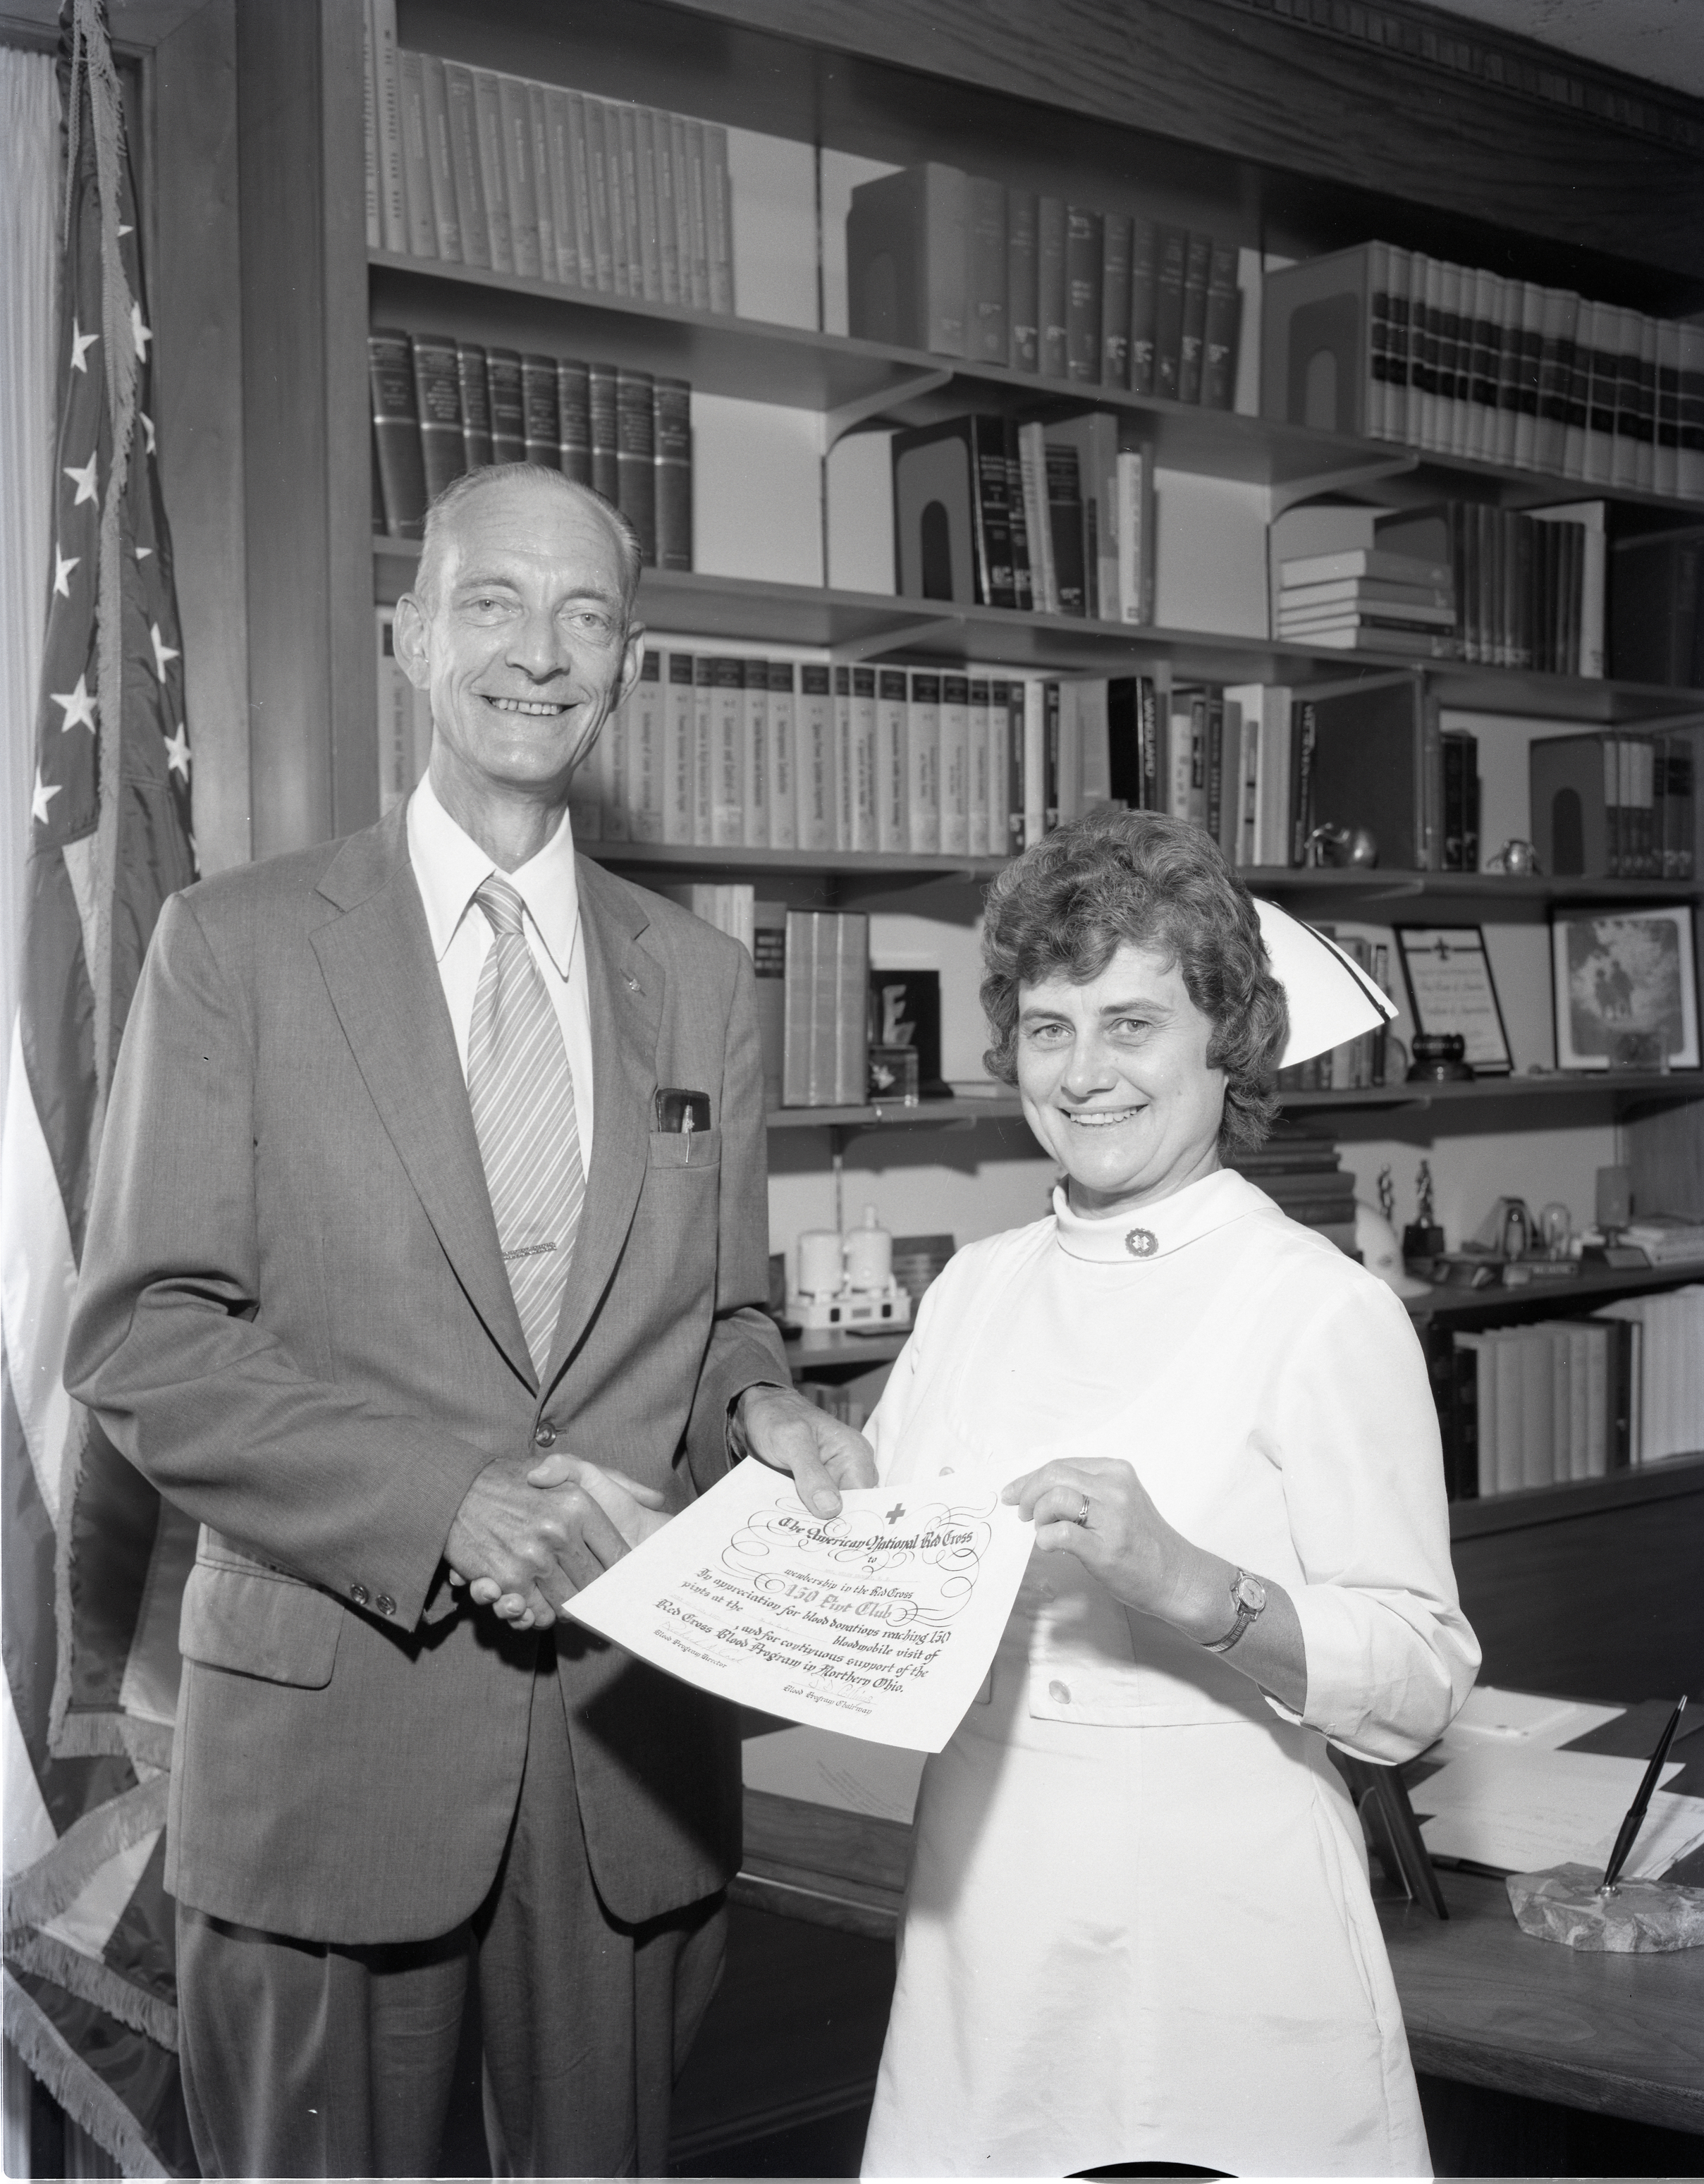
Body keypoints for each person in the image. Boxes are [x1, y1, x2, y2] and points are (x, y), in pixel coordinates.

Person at [66, 465, 874, 2180]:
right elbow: (150, 1338)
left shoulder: (704, 980)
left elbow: (725, 1315)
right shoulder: (238, 948)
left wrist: (770, 1417)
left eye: (588, 615)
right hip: (330, 1750)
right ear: (413, 636)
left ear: (629, 661)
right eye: (494, 602)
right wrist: (452, 1508)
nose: (542, 649)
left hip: (623, 1761)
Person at [859, 809, 1479, 2180]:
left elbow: (1423, 1680)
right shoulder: (972, 1292)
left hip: (1222, 1954)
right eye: (1048, 1026)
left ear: (1225, 1042)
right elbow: (891, 1592)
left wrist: (1200, 1589)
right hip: (988, 1938)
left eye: (1132, 1023)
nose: (1085, 1073)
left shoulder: (1317, 1309)